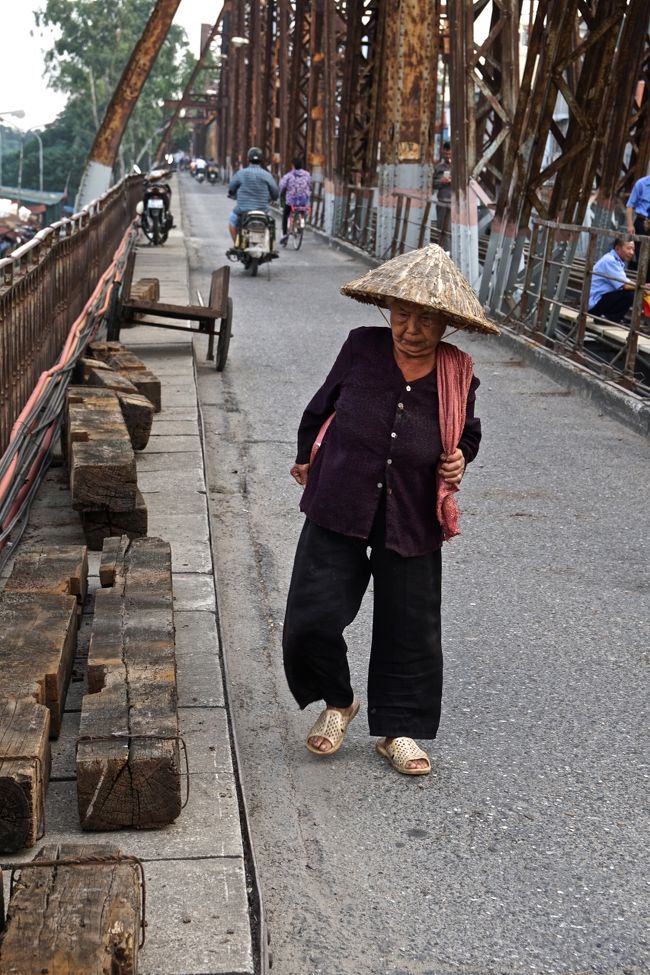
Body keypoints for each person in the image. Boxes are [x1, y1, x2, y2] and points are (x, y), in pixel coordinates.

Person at [282, 244, 500, 776]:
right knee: (312, 617)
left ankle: (398, 730)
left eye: (426, 319)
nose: (411, 328)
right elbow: (320, 407)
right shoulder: (361, 347)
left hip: (411, 512)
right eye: (403, 314)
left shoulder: (457, 373)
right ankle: (338, 703)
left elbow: (466, 436)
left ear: (446, 323)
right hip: (340, 500)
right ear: (388, 311)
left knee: (411, 627)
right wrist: (306, 459)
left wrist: (459, 461)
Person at [227, 146, 279, 246]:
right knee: (270, 223)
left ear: (248, 159)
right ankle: (270, 246)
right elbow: (275, 192)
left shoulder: (241, 173)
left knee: (232, 220)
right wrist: (273, 198)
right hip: (262, 209)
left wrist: (231, 193)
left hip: (243, 209)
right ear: (261, 160)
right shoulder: (267, 175)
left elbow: (232, 187)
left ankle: (237, 245)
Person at [588, 236, 647, 323]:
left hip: (599, 301)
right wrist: (643, 287)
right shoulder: (610, 261)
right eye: (628, 248)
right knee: (631, 294)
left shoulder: (616, 260)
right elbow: (625, 285)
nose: (631, 252)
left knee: (633, 290)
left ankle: (613, 317)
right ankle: (608, 318)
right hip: (594, 304)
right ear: (617, 248)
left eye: (633, 249)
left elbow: (625, 281)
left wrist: (644, 287)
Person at [278, 157, 312, 245]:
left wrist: (280, 193)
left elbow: (282, 186)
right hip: (303, 200)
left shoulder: (288, 175)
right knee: (302, 210)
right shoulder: (307, 175)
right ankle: (301, 223)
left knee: (285, 215)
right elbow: (310, 186)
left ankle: (285, 234)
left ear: (292, 165)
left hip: (291, 201)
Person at [625, 172, 650, 274]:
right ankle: (641, 283)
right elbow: (630, 205)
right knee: (641, 255)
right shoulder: (641, 183)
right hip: (642, 223)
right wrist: (630, 225)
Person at [433, 141, 452, 251]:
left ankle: (449, 256)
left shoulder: (459, 167)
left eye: (450, 154)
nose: (448, 156)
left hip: (454, 204)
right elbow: (433, 184)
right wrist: (441, 181)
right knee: (441, 230)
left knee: (450, 231)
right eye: (446, 154)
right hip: (442, 203)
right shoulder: (439, 167)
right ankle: (444, 254)